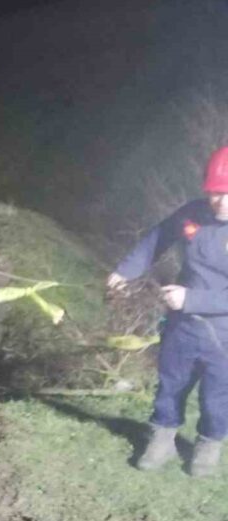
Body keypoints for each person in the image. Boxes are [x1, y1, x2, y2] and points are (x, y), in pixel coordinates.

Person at [107, 147, 228, 477]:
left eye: (227, 194)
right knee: (171, 383)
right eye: (215, 193)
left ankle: (208, 444)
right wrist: (125, 272)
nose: (219, 202)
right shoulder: (194, 214)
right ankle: (162, 438)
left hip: (225, 335)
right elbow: (157, 238)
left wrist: (192, 299)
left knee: (218, 395)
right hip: (182, 325)